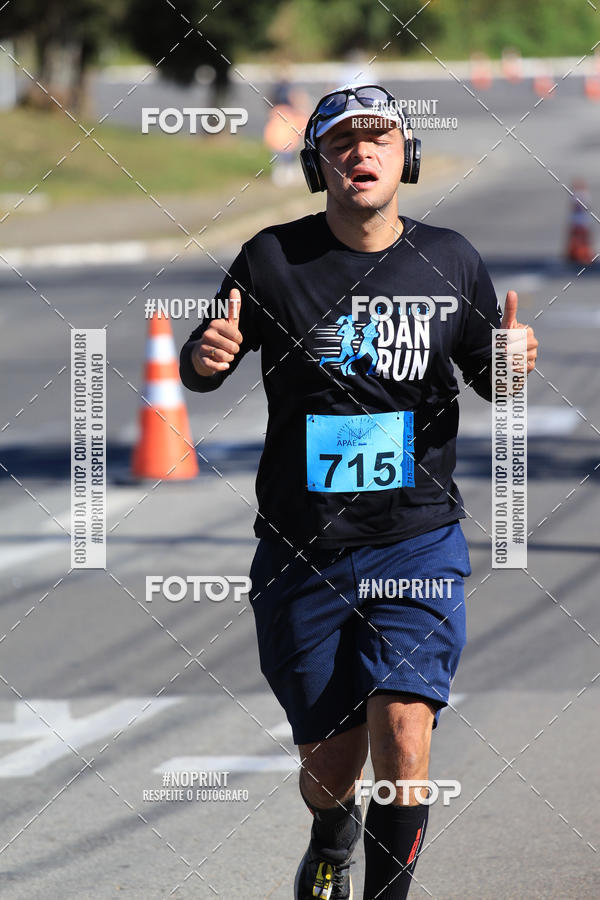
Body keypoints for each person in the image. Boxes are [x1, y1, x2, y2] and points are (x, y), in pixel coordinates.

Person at [179, 83, 539, 899]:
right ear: (320, 166)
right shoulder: (273, 258)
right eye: (342, 143)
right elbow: (206, 360)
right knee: (329, 764)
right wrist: (203, 358)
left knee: (405, 731)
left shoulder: (450, 260)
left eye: (378, 140)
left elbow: (494, 382)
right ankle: (332, 830)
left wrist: (512, 364)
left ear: (405, 157)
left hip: (415, 538)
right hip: (302, 550)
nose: (361, 153)